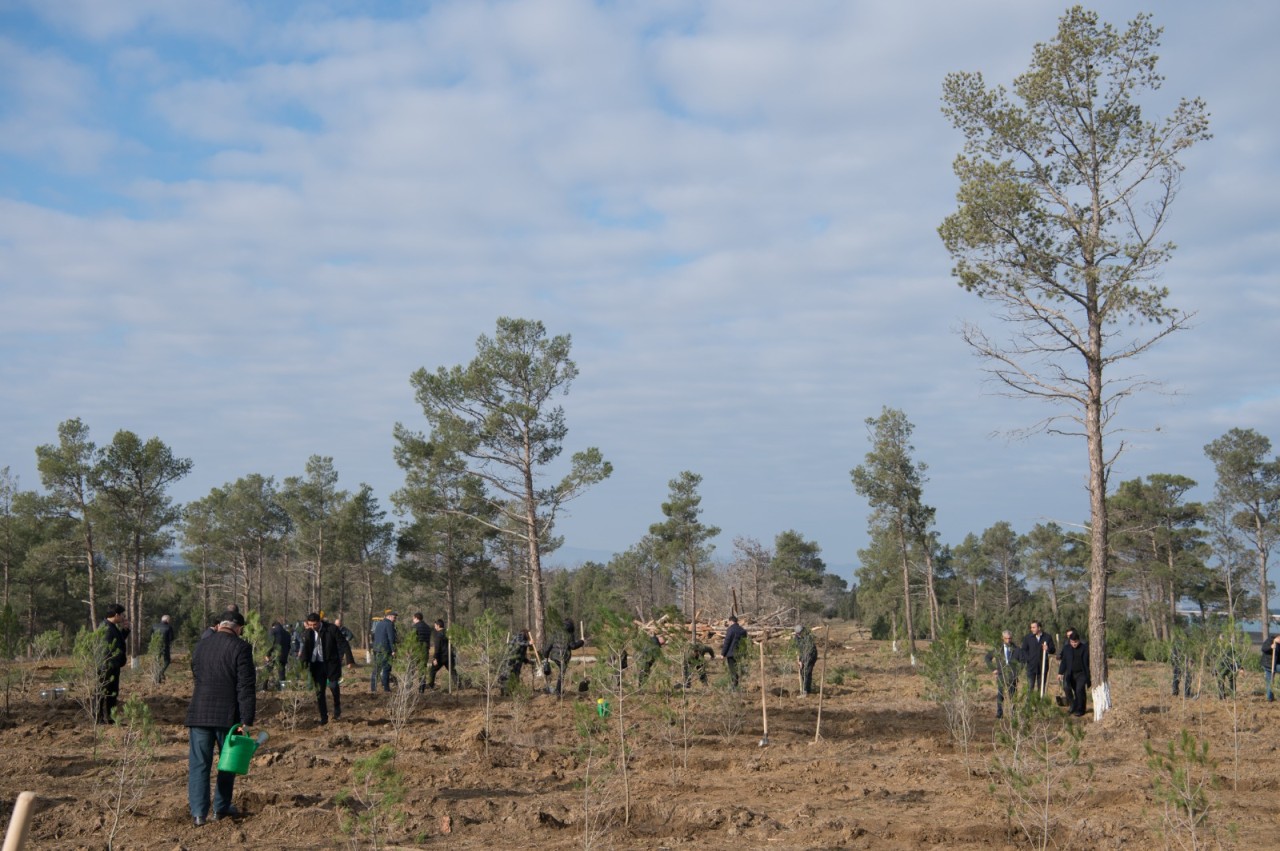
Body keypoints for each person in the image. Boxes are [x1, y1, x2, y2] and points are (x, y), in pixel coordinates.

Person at [186, 609, 255, 827]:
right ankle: (221, 808)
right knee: (228, 763)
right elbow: (245, 686)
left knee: (199, 765)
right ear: (239, 629)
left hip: (199, 713)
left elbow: (196, 673)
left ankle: (198, 814)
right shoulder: (241, 648)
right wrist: (246, 720)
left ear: (220, 625)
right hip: (228, 716)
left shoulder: (202, 645)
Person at [300, 612, 354, 725]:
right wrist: (302, 664)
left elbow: (344, 643)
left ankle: (337, 706)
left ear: (319, 622)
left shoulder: (332, 629)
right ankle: (323, 717)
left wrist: (349, 660)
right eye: (310, 625)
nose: (312, 627)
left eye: (314, 624)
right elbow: (305, 649)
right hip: (316, 665)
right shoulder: (308, 632)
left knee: (333, 685)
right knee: (319, 692)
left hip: (331, 663)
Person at [98, 603, 130, 724]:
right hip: (107, 666)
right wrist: (113, 663)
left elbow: (116, 642)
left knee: (112, 693)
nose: (123, 617)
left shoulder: (111, 626)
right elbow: (106, 650)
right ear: (116, 615)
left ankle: (110, 718)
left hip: (112, 666)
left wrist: (125, 631)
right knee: (102, 693)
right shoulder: (106, 628)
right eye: (122, 615)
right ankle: (99, 718)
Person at [541, 618, 584, 696]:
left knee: (558, 671)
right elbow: (573, 646)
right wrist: (581, 642)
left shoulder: (555, 633)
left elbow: (548, 646)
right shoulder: (570, 634)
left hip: (554, 656)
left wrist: (545, 656)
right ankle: (558, 691)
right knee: (562, 672)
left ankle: (555, 689)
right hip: (563, 657)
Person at [985, 630, 1021, 719]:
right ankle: (999, 713)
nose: (1008, 640)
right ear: (1003, 638)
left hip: (1012, 675)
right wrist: (993, 669)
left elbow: (1023, 660)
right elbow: (987, 658)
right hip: (1001, 675)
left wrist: (1018, 671)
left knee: (1013, 695)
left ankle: (1013, 714)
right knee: (1000, 694)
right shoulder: (998, 649)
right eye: (1006, 638)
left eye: (1010, 638)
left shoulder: (1016, 649)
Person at [1057, 628, 1090, 717]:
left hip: (1081, 673)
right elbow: (1064, 661)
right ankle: (1073, 704)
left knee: (1079, 690)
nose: (1074, 644)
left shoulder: (1085, 648)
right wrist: (1060, 673)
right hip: (1070, 673)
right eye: (1072, 642)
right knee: (1067, 688)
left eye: (1075, 642)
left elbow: (1089, 661)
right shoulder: (1067, 648)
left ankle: (1081, 709)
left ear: (1079, 640)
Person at [1017, 621, 1056, 695]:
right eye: (1031, 627)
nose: (1032, 629)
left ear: (1039, 627)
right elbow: (1023, 650)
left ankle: (1039, 705)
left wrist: (1047, 648)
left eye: (1034, 627)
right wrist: (1028, 659)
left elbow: (1053, 650)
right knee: (1030, 688)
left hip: (1043, 667)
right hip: (1031, 667)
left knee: (1041, 688)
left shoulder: (1047, 637)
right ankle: (1029, 705)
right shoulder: (1028, 638)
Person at [370, 611, 398, 693]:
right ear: (389, 616)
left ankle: (373, 689)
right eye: (394, 617)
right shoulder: (389, 624)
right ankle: (386, 689)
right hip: (386, 650)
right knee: (386, 669)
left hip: (377, 649)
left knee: (376, 669)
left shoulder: (379, 624)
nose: (395, 619)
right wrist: (393, 650)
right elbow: (391, 638)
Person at [499, 629, 531, 694]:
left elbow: (520, 654)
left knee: (515, 677)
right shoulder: (520, 635)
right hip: (510, 660)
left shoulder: (524, 640)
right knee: (507, 676)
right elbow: (519, 642)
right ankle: (505, 692)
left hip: (516, 661)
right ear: (526, 633)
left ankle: (510, 692)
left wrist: (527, 661)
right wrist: (528, 643)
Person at [721, 615, 748, 690]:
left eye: (729, 622)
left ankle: (734, 686)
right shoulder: (742, 630)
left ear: (731, 621)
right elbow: (744, 643)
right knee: (737, 668)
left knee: (732, 669)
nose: (728, 623)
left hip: (731, 653)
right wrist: (745, 653)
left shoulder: (730, 630)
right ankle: (736, 684)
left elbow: (727, 642)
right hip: (740, 653)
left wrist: (723, 653)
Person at [428, 619, 455, 689]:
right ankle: (459, 684)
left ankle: (431, 685)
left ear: (438, 626)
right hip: (449, 656)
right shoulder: (448, 633)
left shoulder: (438, 635)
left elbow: (437, 648)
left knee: (432, 670)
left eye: (435, 626)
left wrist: (435, 658)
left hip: (441, 657)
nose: (434, 627)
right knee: (453, 671)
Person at [265, 619, 292, 687]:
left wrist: (267, 655)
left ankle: (264, 687)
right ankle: (282, 688)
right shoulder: (287, 633)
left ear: (273, 626)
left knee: (267, 671)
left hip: (273, 655)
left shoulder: (273, 631)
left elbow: (270, 644)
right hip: (283, 655)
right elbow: (289, 646)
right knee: (282, 672)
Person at [793, 625, 818, 696]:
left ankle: (806, 691)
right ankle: (806, 689)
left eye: (799, 633)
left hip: (811, 656)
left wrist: (803, 661)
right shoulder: (797, 637)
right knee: (802, 672)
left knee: (806, 672)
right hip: (802, 657)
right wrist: (800, 661)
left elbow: (809, 651)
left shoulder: (808, 637)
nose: (798, 634)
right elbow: (798, 648)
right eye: (797, 633)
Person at [1170, 629, 1194, 699]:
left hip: (1178, 664)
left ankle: (1176, 692)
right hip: (1183, 664)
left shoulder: (1176, 643)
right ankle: (1186, 694)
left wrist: (1173, 663)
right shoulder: (1187, 644)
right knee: (1187, 678)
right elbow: (1190, 655)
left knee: (1177, 678)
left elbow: (1172, 655)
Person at [412, 613, 432, 693]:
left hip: (416, 651)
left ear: (416, 618)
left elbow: (412, 639)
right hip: (425, 651)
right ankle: (421, 690)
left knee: (411, 670)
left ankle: (408, 688)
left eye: (413, 618)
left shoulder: (415, 627)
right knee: (422, 671)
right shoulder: (428, 627)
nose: (413, 620)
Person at [154, 614, 174, 683]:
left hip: (156, 646)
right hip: (165, 647)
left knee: (157, 662)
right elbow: (171, 638)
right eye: (169, 620)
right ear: (167, 620)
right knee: (167, 661)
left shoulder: (154, 626)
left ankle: (157, 678)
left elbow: (151, 636)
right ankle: (161, 672)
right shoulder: (169, 627)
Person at [1262, 634, 1280, 702]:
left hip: (1276, 664)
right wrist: (1271, 647)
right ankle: (1269, 698)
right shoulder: (1270, 640)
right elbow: (1263, 649)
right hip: (1268, 664)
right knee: (1269, 681)